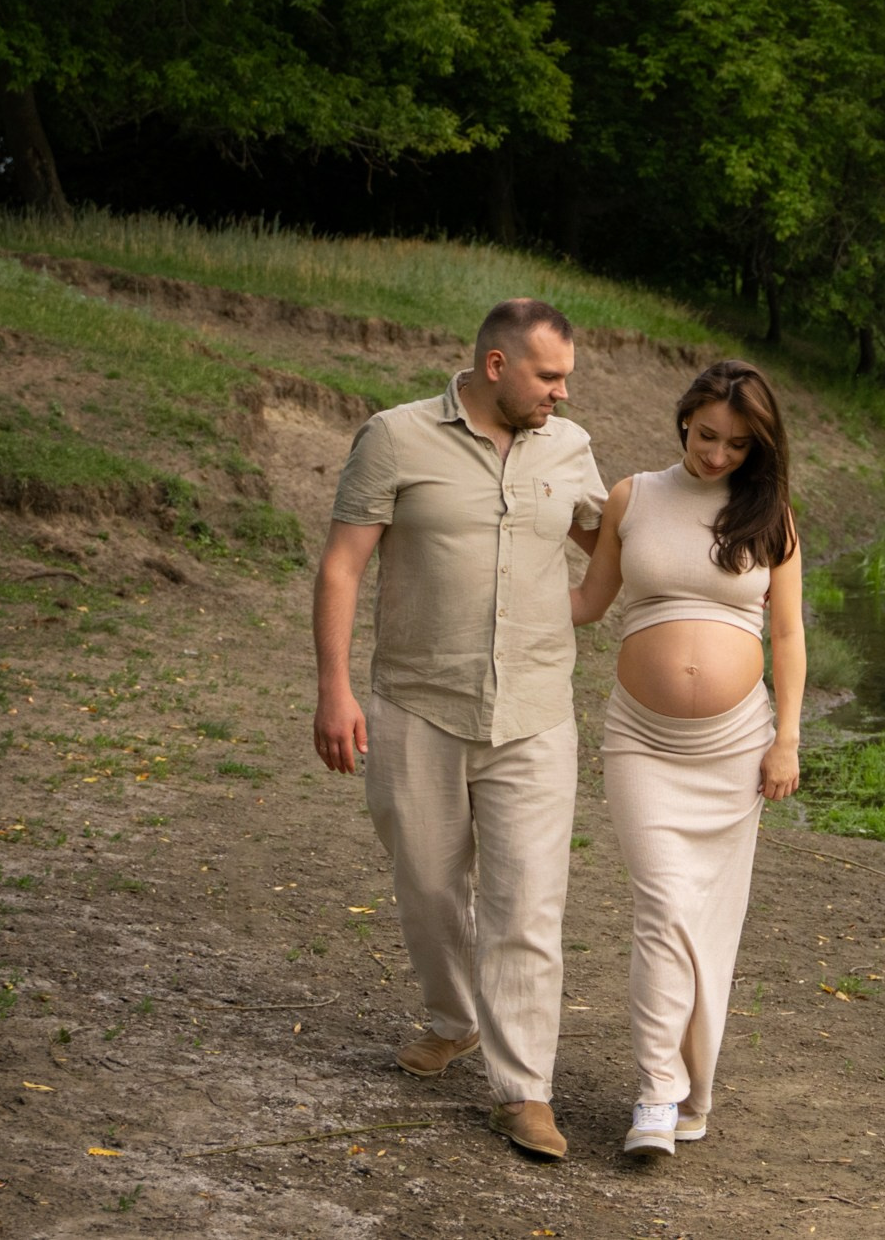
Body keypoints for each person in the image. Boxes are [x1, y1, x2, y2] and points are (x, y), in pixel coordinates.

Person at [311, 298, 608, 1162]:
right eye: (549, 376)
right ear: (495, 367)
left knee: (528, 903)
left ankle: (525, 1093)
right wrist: (335, 689)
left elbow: (612, 539)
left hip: (536, 715)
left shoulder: (572, 447)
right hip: (417, 703)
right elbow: (342, 564)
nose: (561, 391)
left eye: (567, 378)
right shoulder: (395, 438)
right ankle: (453, 1018)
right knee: (430, 884)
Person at [570, 358, 805, 1158]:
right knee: (664, 906)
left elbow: (788, 636)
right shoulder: (633, 496)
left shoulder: (770, 515)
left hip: (736, 746)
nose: (717, 456)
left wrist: (789, 739)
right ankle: (655, 1094)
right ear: (683, 422)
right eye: (708, 436)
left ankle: (693, 1089)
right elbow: (588, 603)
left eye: (738, 445)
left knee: (710, 924)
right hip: (641, 740)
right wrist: (498, 559)